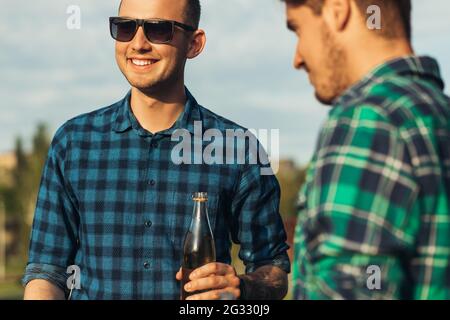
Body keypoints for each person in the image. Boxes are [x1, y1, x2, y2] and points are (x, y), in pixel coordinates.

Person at [23, 0, 290, 300]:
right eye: (125, 28)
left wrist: (242, 288)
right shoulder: (73, 143)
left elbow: (273, 268)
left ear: (194, 43)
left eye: (159, 29)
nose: (138, 44)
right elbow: (47, 271)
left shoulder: (237, 149)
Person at [282, 0, 450, 299]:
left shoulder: (369, 118)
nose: (297, 58)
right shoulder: (437, 112)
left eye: (297, 29)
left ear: (338, 10)